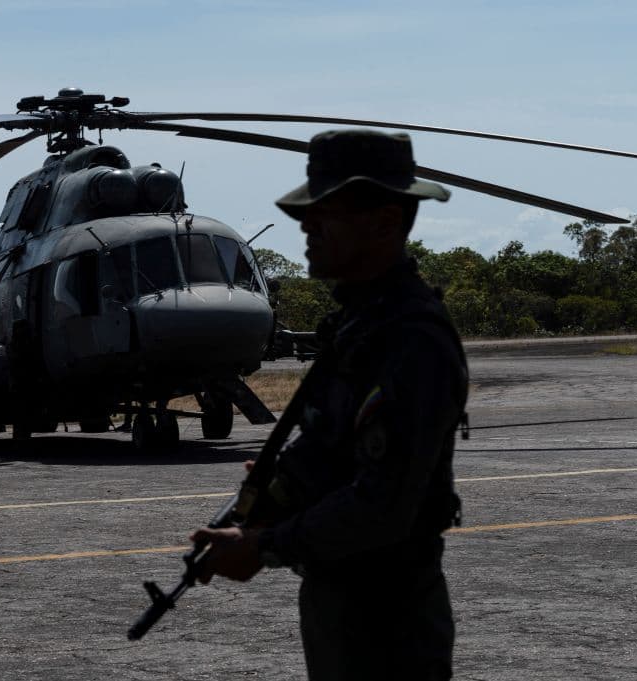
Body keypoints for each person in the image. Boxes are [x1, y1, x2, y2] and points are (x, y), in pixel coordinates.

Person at [191, 130, 468, 680]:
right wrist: (278, 491)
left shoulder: (411, 338)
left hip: (388, 609)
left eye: (326, 215)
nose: (306, 229)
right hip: (342, 594)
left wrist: (265, 545)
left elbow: (385, 502)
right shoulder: (361, 324)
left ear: (386, 222)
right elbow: (330, 445)